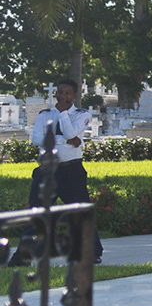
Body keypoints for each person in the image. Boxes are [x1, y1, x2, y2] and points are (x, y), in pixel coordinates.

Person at [22, 79, 103, 263]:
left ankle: (92, 252)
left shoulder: (81, 115)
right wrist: (64, 141)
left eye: (67, 93)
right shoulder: (44, 115)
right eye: (60, 92)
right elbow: (36, 139)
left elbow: (70, 132)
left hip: (70, 171)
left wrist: (64, 114)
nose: (63, 96)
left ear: (75, 95)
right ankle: (23, 255)